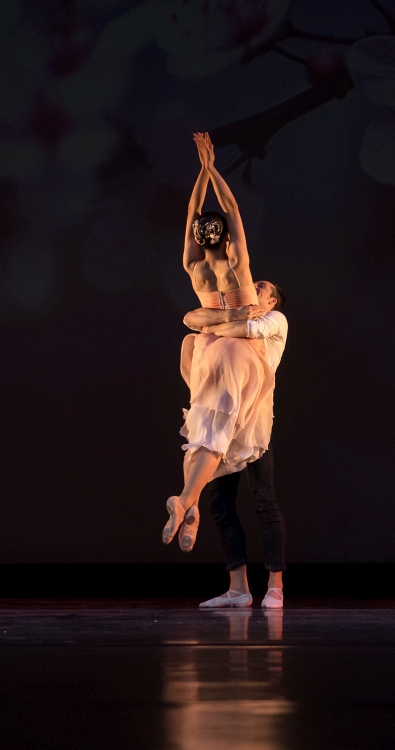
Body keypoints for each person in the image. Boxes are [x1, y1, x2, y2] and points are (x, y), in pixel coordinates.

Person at [162, 132, 273, 560]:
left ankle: (189, 508)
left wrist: (200, 174)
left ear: (197, 240)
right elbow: (232, 209)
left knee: (202, 430)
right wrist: (212, 168)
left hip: (205, 351)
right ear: (226, 239)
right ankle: (184, 503)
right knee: (218, 433)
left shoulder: (193, 266)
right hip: (236, 353)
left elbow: (193, 212)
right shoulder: (238, 263)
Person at [183, 280, 288, 609]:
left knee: (264, 501)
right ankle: (238, 589)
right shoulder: (236, 313)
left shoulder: (275, 320)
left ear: (271, 302)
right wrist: (225, 317)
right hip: (223, 418)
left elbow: (245, 331)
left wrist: (216, 324)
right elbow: (190, 320)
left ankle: (275, 586)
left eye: (262, 287)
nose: (254, 286)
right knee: (221, 505)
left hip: (253, 424)